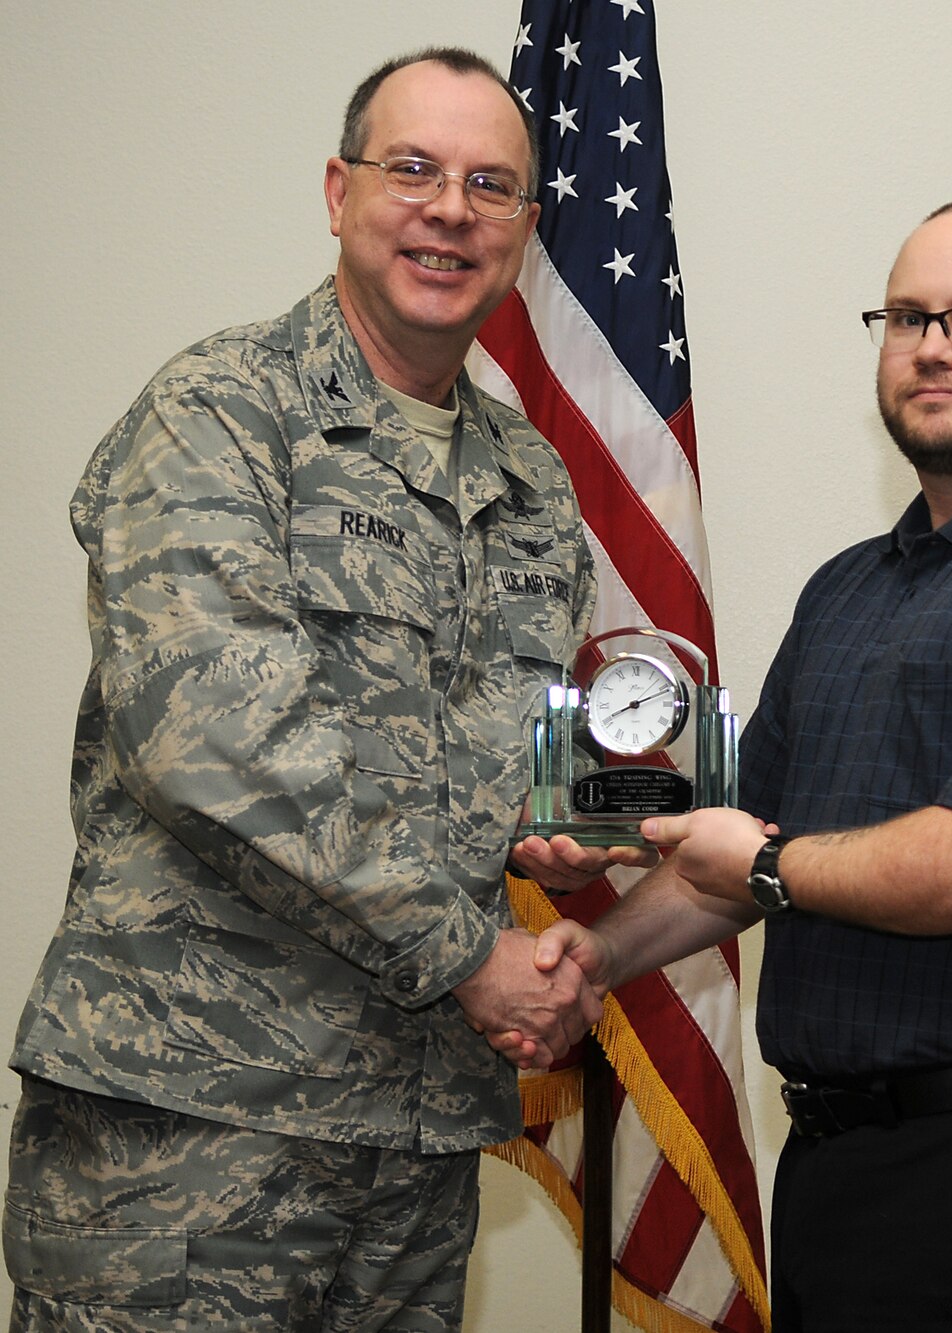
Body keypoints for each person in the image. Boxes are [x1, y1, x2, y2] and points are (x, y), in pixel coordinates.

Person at [5, 47, 636, 1331]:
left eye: (491, 185)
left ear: (524, 229)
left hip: (411, 1139)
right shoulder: (220, 413)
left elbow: (493, 762)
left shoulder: (529, 481)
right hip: (191, 1128)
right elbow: (218, 744)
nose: (450, 209)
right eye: (412, 170)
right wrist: (474, 955)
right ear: (339, 192)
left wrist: (565, 836)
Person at [512, 199, 952, 1332]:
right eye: (906, 317)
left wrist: (770, 861)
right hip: (849, 1173)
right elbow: (725, 852)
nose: (932, 345)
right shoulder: (850, 587)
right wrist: (596, 956)